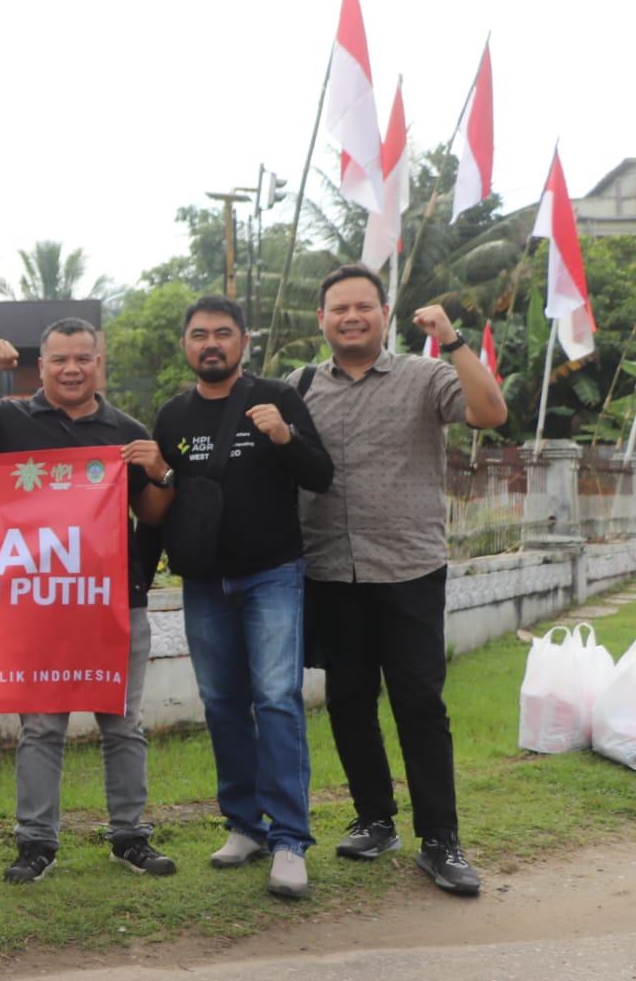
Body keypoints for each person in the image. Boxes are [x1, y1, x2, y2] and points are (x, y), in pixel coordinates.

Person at [0, 318, 177, 884]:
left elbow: (153, 516)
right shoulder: (8, 420)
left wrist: (160, 472)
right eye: (60, 359)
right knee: (42, 727)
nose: (71, 369)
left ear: (98, 364)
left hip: (115, 602)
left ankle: (130, 836)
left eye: (83, 359)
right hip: (35, 605)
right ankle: (36, 842)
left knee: (123, 723)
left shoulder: (126, 430)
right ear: (40, 367)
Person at [290, 264, 507, 897]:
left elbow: (489, 413)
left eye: (363, 306)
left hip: (409, 567)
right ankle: (374, 818)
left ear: (385, 314)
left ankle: (440, 840)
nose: (350, 316)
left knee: (419, 704)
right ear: (322, 320)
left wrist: (452, 338)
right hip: (330, 568)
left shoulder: (426, 375)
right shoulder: (300, 386)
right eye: (339, 308)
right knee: (349, 701)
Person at [151, 295, 334, 899]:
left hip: (271, 575)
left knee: (277, 699)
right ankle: (244, 825)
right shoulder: (172, 418)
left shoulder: (277, 397)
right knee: (222, 702)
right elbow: (164, 505)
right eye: (200, 333)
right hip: (204, 582)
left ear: (243, 342)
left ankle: (289, 839)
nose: (211, 343)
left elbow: (321, 476)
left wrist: (284, 437)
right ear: (185, 344)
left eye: (223, 333)